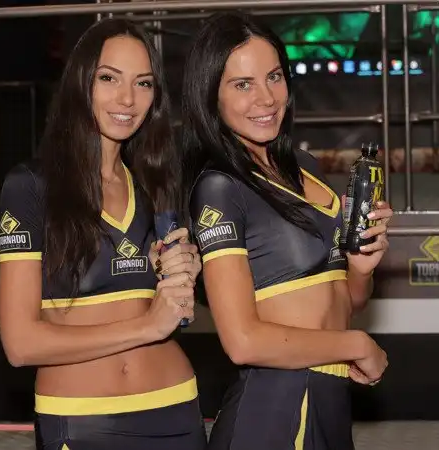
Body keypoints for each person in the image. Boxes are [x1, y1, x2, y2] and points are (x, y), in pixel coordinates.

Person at [180, 12, 392, 450]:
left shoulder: (305, 168)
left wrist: (361, 269)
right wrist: (356, 344)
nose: (266, 98)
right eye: (243, 84)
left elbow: (344, 304)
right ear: (210, 95)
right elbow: (242, 342)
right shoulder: (220, 187)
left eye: (274, 77)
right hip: (274, 409)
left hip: (328, 399)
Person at [0, 19, 206, 450]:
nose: (127, 98)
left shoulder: (154, 184)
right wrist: (147, 325)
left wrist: (179, 279)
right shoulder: (31, 186)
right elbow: (20, 344)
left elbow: (179, 318)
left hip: (175, 408)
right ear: (81, 82)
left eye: (143, 83)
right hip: (81, 420)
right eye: (109, 78)